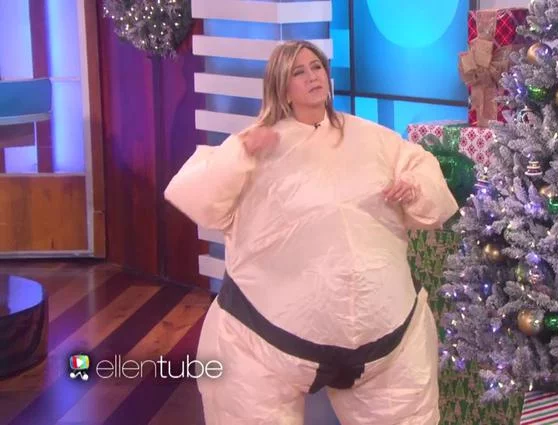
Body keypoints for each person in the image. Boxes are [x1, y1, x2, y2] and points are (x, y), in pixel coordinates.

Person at [164, 40, 458, 425]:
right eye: (298, 72)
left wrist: (413, 187)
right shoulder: (257, 145)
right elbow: (196, 195)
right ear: (282, 87)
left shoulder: (372, 138)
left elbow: (424, 175)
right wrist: (238, 153)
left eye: (316, 67)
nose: (312, 77)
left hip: (385, 338)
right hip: (265, 339)